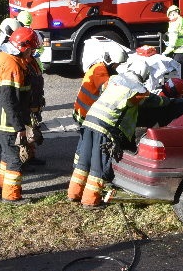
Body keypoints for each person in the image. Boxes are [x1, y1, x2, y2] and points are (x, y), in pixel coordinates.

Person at [68, 58, 170, 208]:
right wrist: (169, 100)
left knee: (84, 161)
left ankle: (74, 194)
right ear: (143, 75)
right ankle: (90, 201)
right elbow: (154, 102)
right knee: (98, 165)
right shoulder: (137, 90)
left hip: (89, 120)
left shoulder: (114, 80)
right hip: (105, 126)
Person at [0, 27, 41, 203]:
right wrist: (19, 127)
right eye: (31, 50)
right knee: (14, 159)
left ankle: (2, 187)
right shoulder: (13, 65)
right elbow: (10, 99)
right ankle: (11, 197)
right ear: (24, 47)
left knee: (6, 155)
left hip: (0, 118)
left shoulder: (3, 56)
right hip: (8, 122)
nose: (32, 54)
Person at [162, 5, 183, 82]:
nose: (169, 19)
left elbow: (173, 41)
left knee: (178, 76)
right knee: (181, 75)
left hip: (179, 52)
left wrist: (165, 52)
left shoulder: (174, 23)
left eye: (169, 16)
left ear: (172, 13)